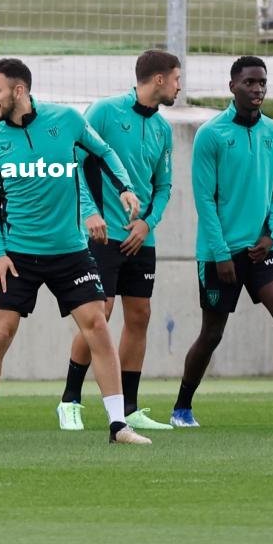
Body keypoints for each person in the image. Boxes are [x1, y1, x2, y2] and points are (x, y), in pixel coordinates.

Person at [0, 58, 150, 446]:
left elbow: (102, 153)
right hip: (17, 256)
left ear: (19, 91)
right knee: (0, 333)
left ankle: (118, 425)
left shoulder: (65, 120)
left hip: (71, 253)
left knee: (97, 324)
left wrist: (124, 188)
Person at [170, 56, 273, 430]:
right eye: (250, 82)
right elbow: (205, 199)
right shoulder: (211, 135)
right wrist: (220, 254)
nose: (258, 89)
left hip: (263, 249)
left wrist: (271, 234)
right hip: (220, 254)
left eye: (262, 83)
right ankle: (182, 406)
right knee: (212, 332)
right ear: (233, 86)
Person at [56, 50, 181, 432]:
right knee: (100, 315)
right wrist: (89, 213)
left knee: (139, 317)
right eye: (177, 78)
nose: (179, 86)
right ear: (158, 79)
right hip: (101, 235)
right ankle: (70, 401)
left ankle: (128, 408)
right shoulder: (105, 112)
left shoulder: (163, 129)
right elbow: (72, 163)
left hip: (142, 238)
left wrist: (147, 223)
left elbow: (164, 185)